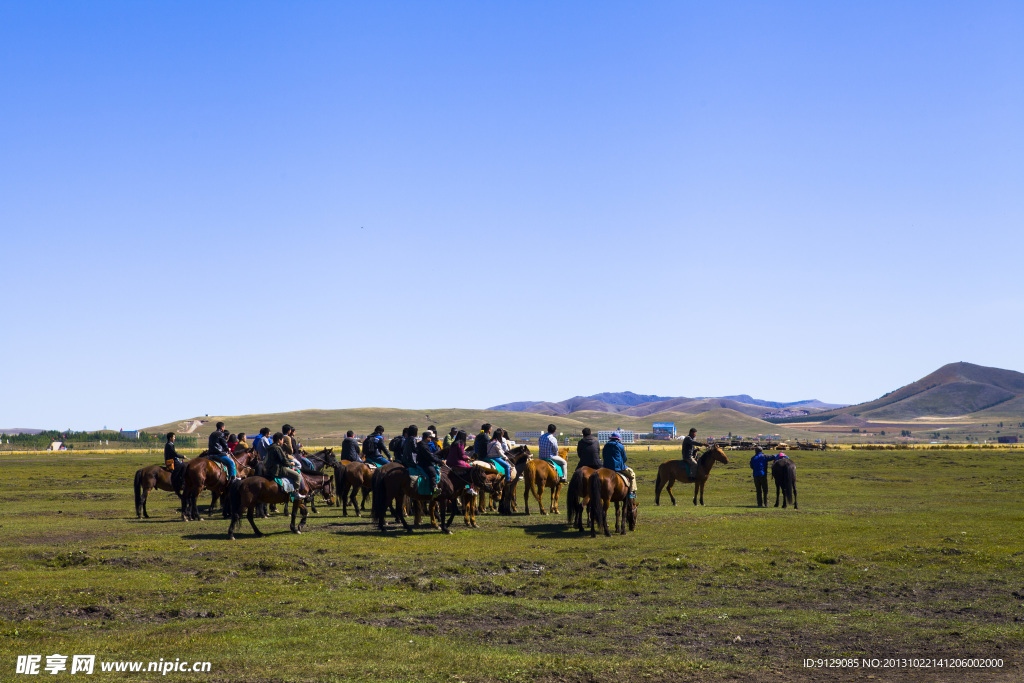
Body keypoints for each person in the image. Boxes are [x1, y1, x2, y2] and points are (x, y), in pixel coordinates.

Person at [263, 432, 305, 501]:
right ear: (279, 440)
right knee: (297, 475)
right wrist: (290, 464)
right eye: (282, 439)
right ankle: (296, 493)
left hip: (269, 469)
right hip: (279, 469)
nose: (283, 441)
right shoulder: (278, 448)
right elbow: (283, 460)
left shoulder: (270, 447)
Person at [602, 432, 636, 498]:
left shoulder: (606, 445)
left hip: (606, 467)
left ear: (611, 438)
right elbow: (624, 458)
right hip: (618, 468)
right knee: (632, 474)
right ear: (618, 439)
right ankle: (632, 492)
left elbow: (604, 456)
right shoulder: (620, 446)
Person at [445, 430, 477, 497]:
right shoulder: (461, 443)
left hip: (449, 462)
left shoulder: (454, 443)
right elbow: (462, 455)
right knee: (471, 470)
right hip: (457, 463)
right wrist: (467, 458)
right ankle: (470, 488)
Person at [416, 429, 446, 496]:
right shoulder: (424, 446)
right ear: (427, 437)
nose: (432, 439)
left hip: (422, 462)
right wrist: (440, 461)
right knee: (433, 474)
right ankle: (433, 490)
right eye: (431, 437)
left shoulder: (421, 444)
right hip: (425, 463)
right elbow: (430, 456)